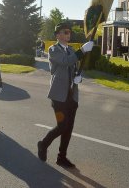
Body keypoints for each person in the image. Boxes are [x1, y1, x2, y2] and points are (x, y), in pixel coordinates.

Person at [37, 22, 94, 168]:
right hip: (59, 96)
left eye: (69, 32)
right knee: (62, 126)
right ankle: (43, 144)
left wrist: (78, 77)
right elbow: (65, 62)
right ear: (58, 35)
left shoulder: (70, 49)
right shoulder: (53, 49)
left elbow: (73, 66)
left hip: (71, 95)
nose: (68, 34)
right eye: (65, 32)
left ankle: (62, 157)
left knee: (68, 128)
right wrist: (82, 51)